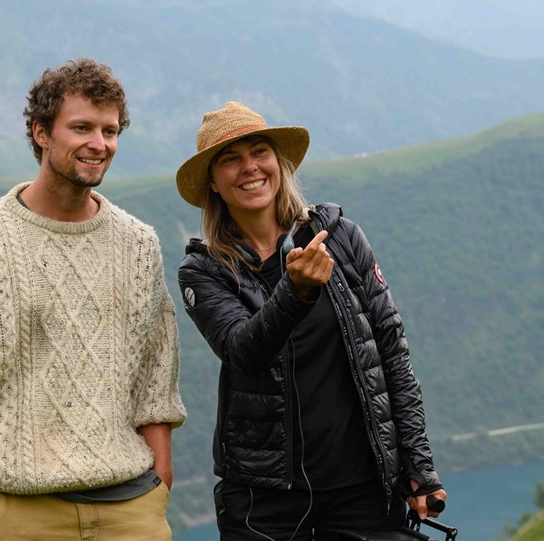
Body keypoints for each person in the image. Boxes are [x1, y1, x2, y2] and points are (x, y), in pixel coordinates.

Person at [0, 58, 186, 540]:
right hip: (19, 515)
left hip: (132, 509)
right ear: (40, 132)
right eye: (81, 128)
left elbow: (155, 376)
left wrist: (160, 482)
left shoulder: (139, 244)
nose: (99, 144)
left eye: (110, 131)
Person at [175, 101, 447, 540]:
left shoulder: (340, 236)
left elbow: (391, 353)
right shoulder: (205, 270)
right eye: (230, 159)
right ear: (213, 183)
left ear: (278, 164)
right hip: (264, 499)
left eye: (259, 151)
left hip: (362, 488)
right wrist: (295, 291)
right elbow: (243, 351)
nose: (249, 168)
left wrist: (419, 466)